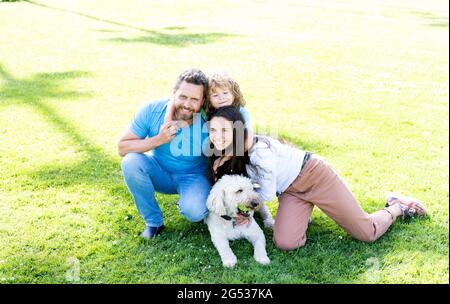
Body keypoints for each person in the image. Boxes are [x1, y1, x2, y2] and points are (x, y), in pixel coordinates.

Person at [207, 106, 427, 250]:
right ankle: (303, 212)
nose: (217, 136)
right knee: (286, 243)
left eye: (224, 130)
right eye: (213, 130)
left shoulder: (259, 152)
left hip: (316, 176)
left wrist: (245, 207)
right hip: (291, 191)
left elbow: (265, 195)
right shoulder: (235, 152)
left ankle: (396, 207)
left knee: (366, 233)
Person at [118, 68, 211, 239]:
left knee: (195, 212)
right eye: (183, 96)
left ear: (203, 100)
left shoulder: (209, 119)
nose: (187, 104)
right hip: (160, 171)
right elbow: (122, 147)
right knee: (130, 162)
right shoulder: (152, 110)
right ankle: (154, 222)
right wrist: (159, 139)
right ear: (174, 93)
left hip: (193, 176)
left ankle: (188, 201)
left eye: (194, 99)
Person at [164, 72, 254, 176]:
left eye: (225, 93)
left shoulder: (241, 112)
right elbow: (172, 100)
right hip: (216, 149)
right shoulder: (206, 110)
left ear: (234, 93)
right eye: (215, 95)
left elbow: (248, 140)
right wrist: (168, 119)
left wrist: (224, 158)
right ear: (207, 99)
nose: (221, 98)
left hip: (239, 150)